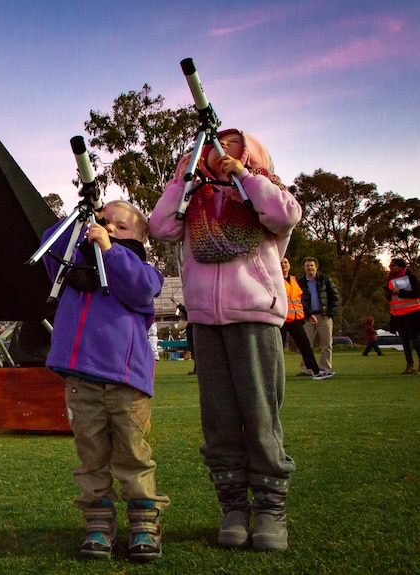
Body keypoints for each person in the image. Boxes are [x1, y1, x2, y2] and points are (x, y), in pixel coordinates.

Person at [151, 128, 301, 551]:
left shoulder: (263, 194)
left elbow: (287, 216)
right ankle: (233, 507)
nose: (220, 150)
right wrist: (182, 180)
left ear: (250, 153)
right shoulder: (193, 200)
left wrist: (246, 178)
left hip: (254, 317)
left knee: (260, 417)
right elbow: (160, 226)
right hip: (206, 321)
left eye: (231, 145)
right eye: (211, 146)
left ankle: (271, 509)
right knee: (218, 421)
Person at [42, 199, 169, 562]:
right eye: (104, 221)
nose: (109, 228)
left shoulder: (143, 270)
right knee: (91, 456)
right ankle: (98, 524)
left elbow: (139, 286)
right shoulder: (75, 264)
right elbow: (50, 246)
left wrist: (109, 249)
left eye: (120, 226)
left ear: (140, 240)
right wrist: (79, 217)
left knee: (132, 454)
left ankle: (145, 524)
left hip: (126, 384)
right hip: (81, 381)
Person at [280, 257, 334, 380]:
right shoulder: (275, 279)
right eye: (281, 263)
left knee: (305, 345)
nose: (284, 265)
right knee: (279, 348)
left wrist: (309, 315)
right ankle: (275, 374)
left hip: (294, 318)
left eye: (286, 262)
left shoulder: (294, 280)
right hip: (281, 319)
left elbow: (299, 300)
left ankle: (316, 371)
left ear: (290, 265)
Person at [299, 257, 339, 376]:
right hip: (308, 317)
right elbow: (298, 300)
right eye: (307, 266)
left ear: (316, 267)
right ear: (304, 268)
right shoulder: (300, 283)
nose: (309, 268)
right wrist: (306, 314)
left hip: (323, 316)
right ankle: (306, 369)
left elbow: (334, 296)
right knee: (306, 344)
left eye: (312, 265)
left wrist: (330, 313)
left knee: (326, 344)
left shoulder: (325, 280)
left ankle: (325, 368)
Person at [385, 258, 420, 373]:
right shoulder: (390, 279)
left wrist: (400, 292)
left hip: (413, 313)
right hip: (399, 314)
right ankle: (410, 365)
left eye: (393, 265)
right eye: (390, 266)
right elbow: (391, 297)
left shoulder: (411, 278)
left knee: (416, 339)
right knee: (405, 341)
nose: (391, 268)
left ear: (401, 267)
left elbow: (416, 293)